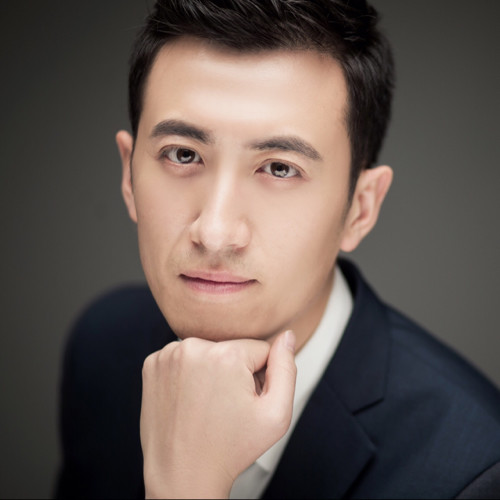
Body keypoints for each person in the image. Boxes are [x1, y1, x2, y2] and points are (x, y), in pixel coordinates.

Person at [56, 0, 500, 498]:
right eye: (183, 154)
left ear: (360, 208)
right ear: (128, 175)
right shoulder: (103, 349)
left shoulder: (474, 473)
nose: (215, 232)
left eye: (280, 168)